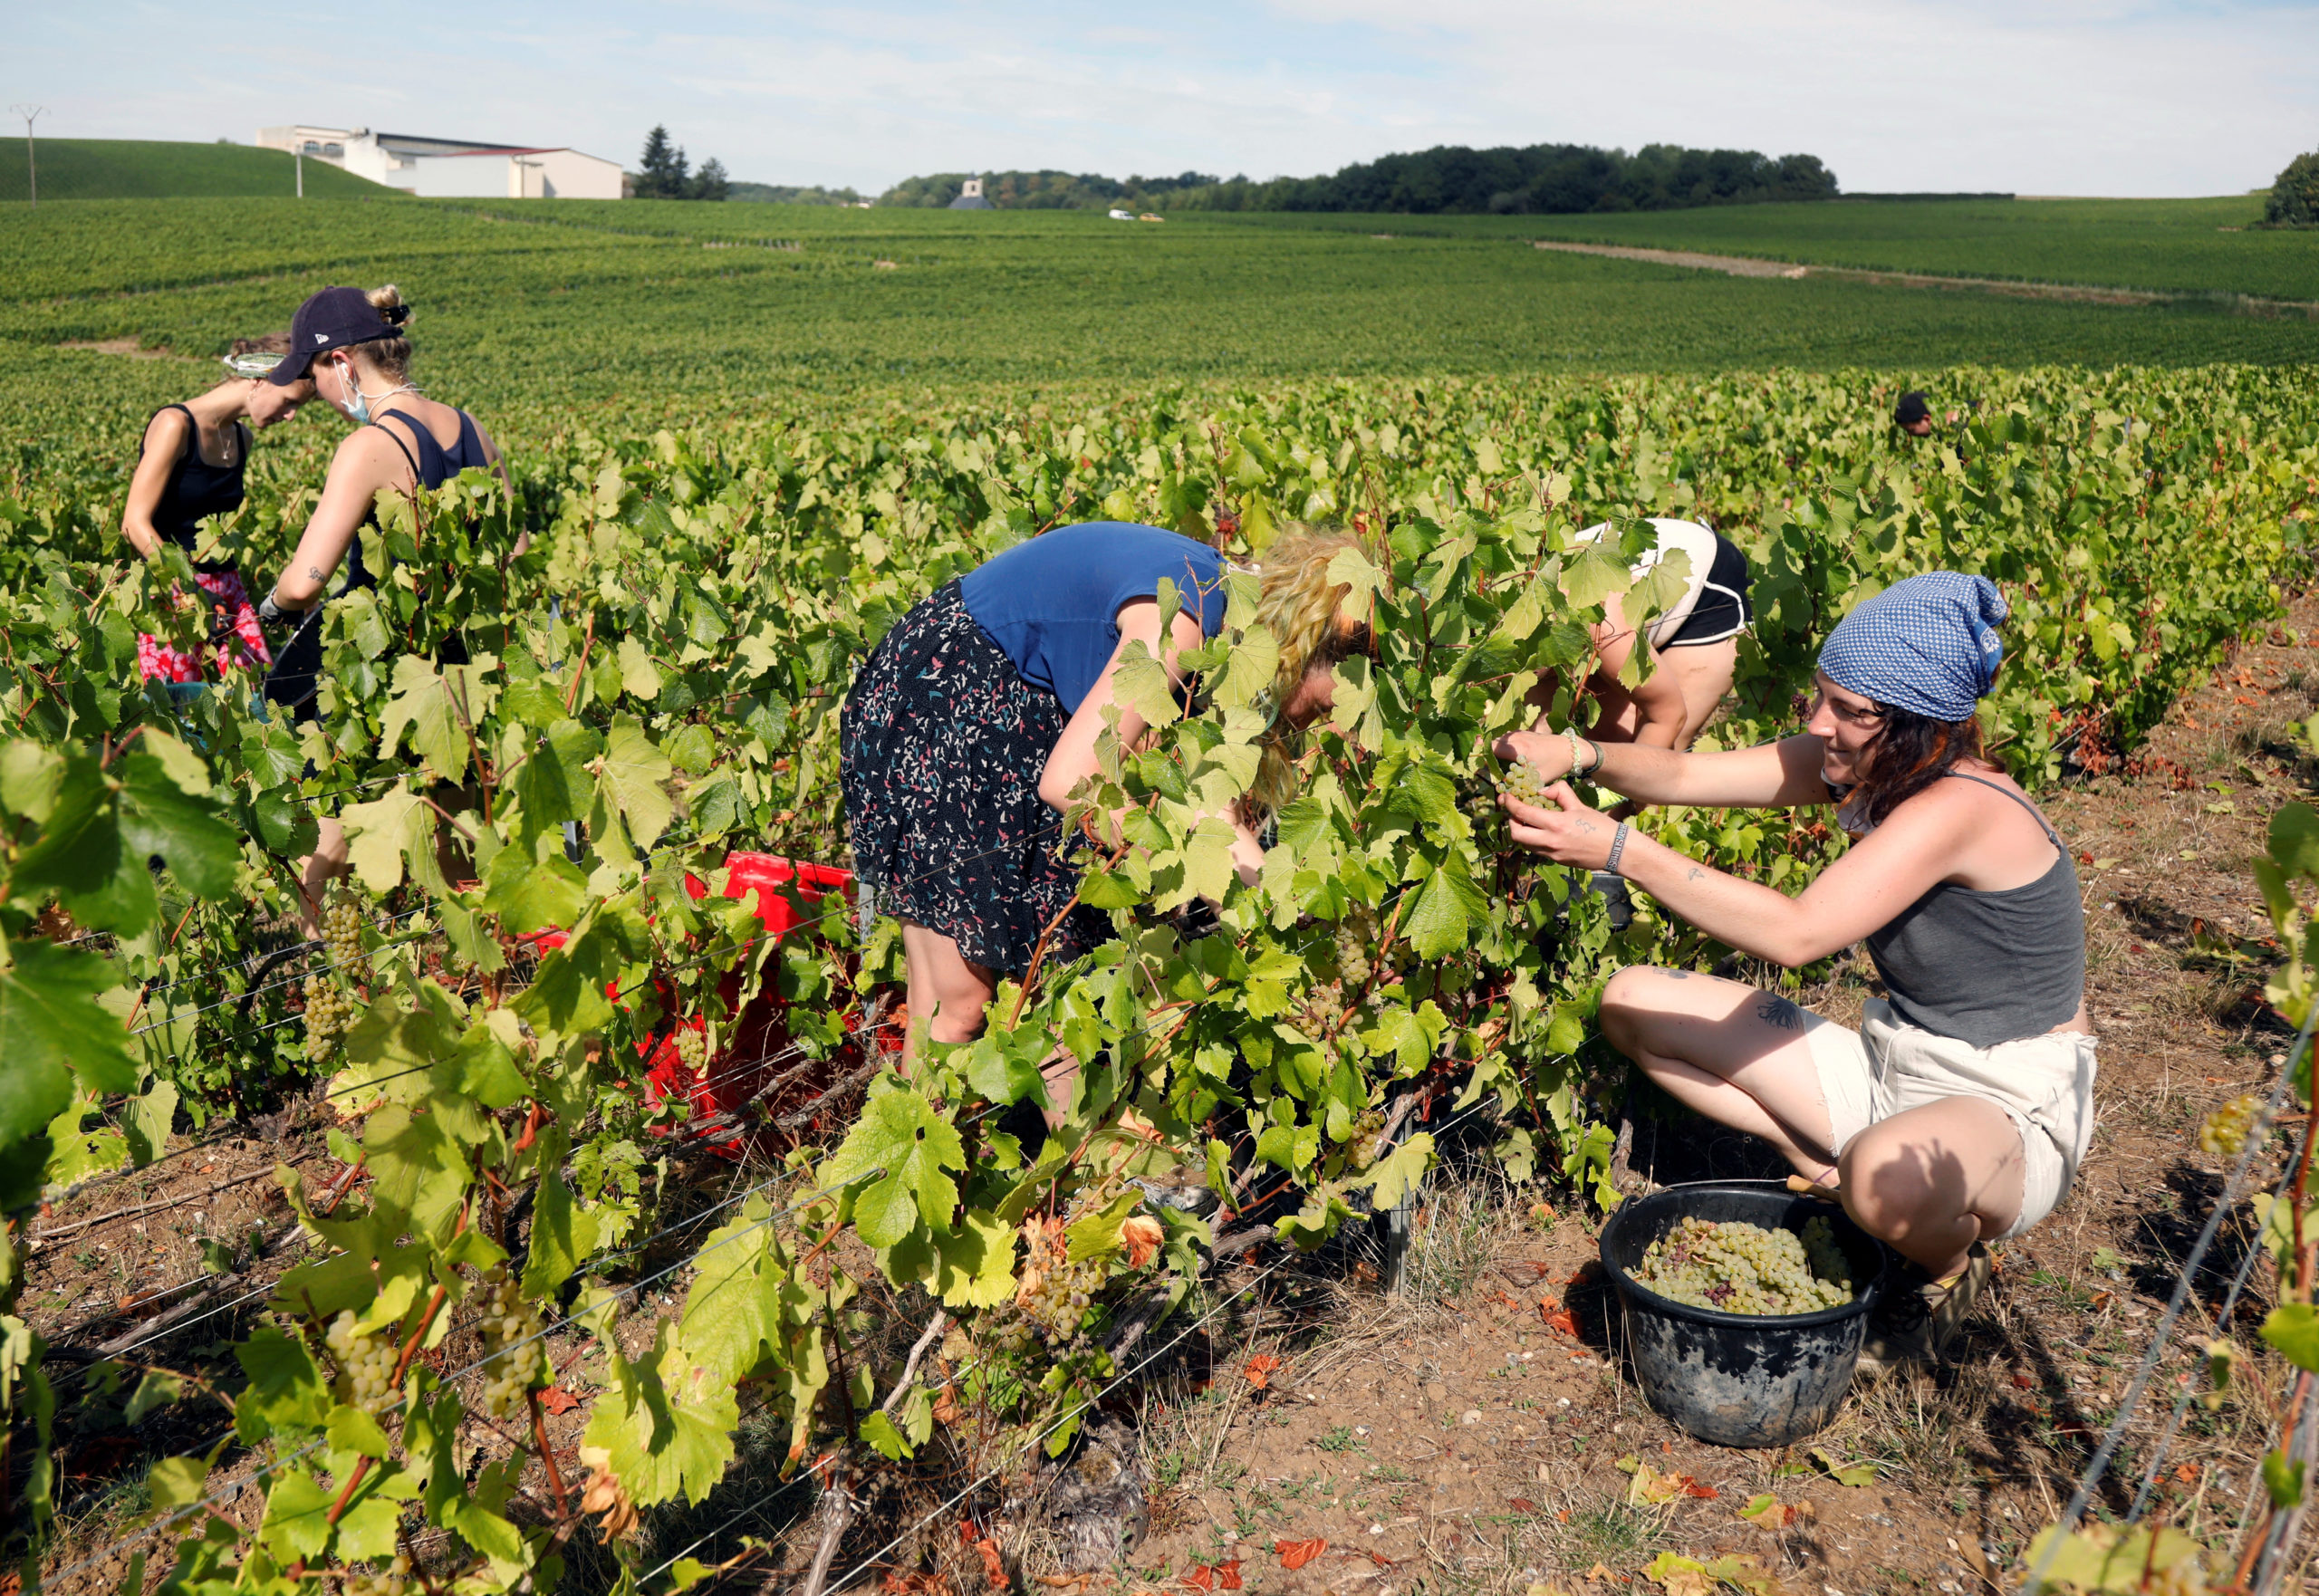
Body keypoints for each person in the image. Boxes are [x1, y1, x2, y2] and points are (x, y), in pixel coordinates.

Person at [1496, 572, 2093, 1369]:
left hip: (2011, 1106)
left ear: (1917, 723)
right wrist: (1579, 752)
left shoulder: (1961, 808)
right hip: (1900, 1061)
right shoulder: (1876, 764)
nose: (1821, 724)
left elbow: (1797, 934)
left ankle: (1949, 1266)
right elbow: (1682, 777)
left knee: (1887, 1177)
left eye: (1849, 711)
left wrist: (1617, 850)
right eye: (1823, 696)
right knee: (1632, 1001)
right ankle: (1839, 1171)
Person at [840, 520, 1373, 1091]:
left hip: (1018, 714)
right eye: (1323, 708)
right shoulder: (1187, 622)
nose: (1316, 726)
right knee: (959, 1002)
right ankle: (908, 1153)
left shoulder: (1234, 639)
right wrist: (1177, 874)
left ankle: (1082, 1177)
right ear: (1311, 650)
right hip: (950, 702)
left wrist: (1277, 905)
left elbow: (1207, 811)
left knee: (1055, 989)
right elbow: (1070, 780)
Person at [251, 284, 515, 933]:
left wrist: (270, 605)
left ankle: (316, 958)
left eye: (315, 377)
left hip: (384, 678)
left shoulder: (372, 445)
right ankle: (480, 983)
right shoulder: (473, 428)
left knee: (335, 815)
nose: (320, 395)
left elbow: (307, 580)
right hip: (464, 677)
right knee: (460, 852)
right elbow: (516, 553)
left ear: (342, 362)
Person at [120, 335, 307, 683]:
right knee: (179, 718)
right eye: (289, 401)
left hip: (229, 590)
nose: (291, 416)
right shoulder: (176, 425)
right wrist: (190, 591)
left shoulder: (241, 438)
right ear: (259, 380)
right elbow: (133, 522)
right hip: (172, 593)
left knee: (255, 707)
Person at [1560, 516, 1754, 755]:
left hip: (1709, 600)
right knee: (1607, 741)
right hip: (1628, 619)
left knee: (1659, 758)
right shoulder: (1522, 608)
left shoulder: (1599, 620)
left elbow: (1669, 716)